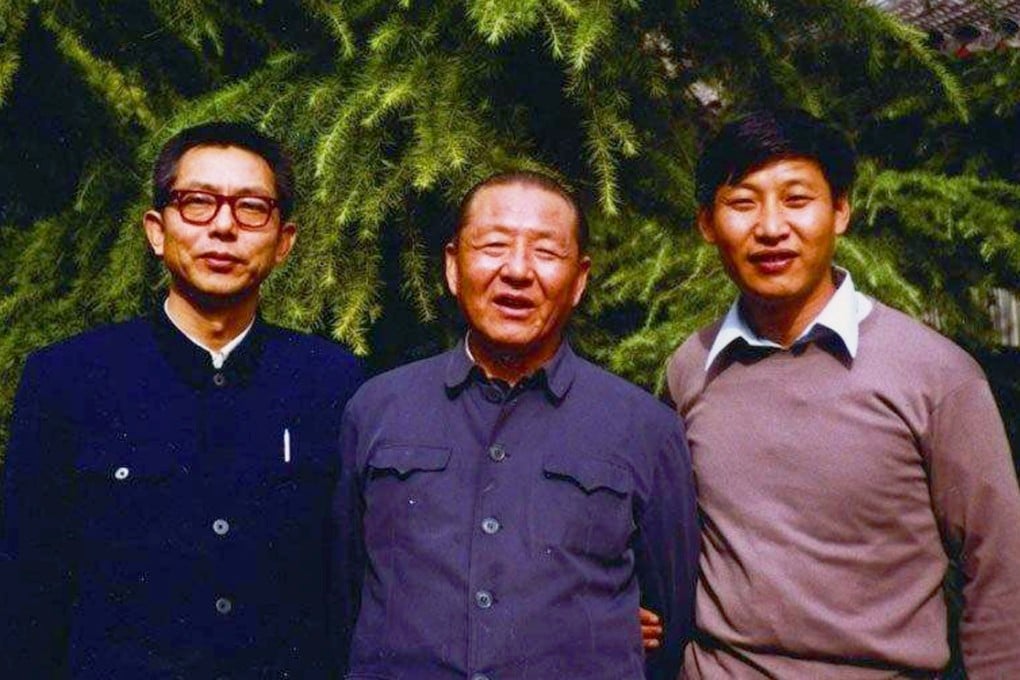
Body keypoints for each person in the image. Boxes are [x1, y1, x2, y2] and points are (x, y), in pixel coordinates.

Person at [1, 122, 363, 678]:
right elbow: (28, 589)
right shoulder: (68, 378)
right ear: (156, 229)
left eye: (250, 209)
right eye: (197, 203)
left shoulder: (333, 383)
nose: (223, 227)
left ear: (284, 241)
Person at [667, 108, 1020, 678]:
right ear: (708, 223)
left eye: (797, 199)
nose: (771, 227)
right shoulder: (692, 368)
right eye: (743, 202)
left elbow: (1002, 567)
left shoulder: (935, 376)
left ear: (841, 211)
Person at [333, 171, 699, 679]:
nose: (518, 270)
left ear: (580, 280)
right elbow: (349, 584)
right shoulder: (377, 409)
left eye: (546, 253)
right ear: (453, 267)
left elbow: (669, 614)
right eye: (493, 245)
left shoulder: (644, 428)